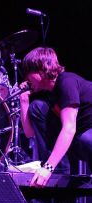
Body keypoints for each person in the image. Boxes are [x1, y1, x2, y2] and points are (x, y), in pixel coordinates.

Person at [20, 47, 92, 188]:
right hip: (81, 137)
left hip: (88, 134)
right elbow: (30, 133)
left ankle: (53, 169)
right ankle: (59, 172)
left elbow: (69, 128)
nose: (26, 78)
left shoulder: (66, 82)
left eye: (29, 73)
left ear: (41, 70)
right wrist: (23, 100)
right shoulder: (50, 95)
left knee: (84, 138)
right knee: (36, 107)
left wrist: (48, 168)